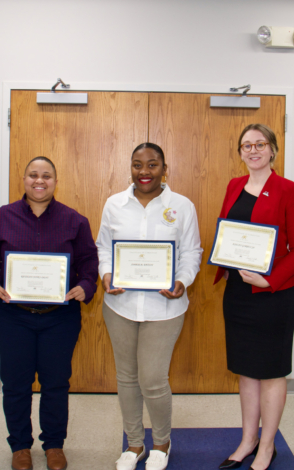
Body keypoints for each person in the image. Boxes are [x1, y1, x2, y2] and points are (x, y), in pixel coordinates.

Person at [0, 156, 98, 470]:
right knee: (15, 383)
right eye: (33, 175)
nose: (39, 181)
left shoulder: (75, 220)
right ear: (24, 179)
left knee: (56, 382)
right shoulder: (3, 217)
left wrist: (85, 285)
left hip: (60, 317)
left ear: (56, 181)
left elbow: (89, 262)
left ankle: (54, 445)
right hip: (12, 316)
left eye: (46, 175)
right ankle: (20, 446)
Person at [95, 143, 203, 470]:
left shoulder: (182, 206)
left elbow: (191, 252)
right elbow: (103, 248)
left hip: (165, 309)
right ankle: (134, 445)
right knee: (127, 377)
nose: (145, 172)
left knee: (153, 379)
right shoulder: (115, 204)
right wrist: (106, 274)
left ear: (164, 168)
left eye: (152, 165)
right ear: (130, 168)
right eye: (138, 165)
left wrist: (182, 280)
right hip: (120, 305)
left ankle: (161, 443)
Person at [214, 124, 294, 470]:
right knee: (245, 371)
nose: (253, 150)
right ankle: (247, 440)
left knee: (270, 372)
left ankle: (267, 445)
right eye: (246, 145)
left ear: (272, 149)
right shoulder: (234, 186)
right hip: (238, 293)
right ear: (240, 152)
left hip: (274, 296)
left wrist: (268, 279)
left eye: (260, 144)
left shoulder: (290, 190)